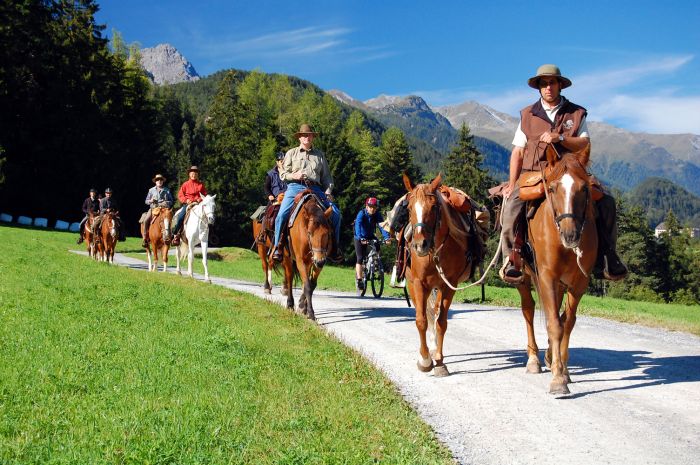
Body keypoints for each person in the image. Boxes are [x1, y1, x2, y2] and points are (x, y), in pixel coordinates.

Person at [500, 64, 627, 282]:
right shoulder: (527, 115)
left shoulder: (576, 113)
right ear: (538, 88)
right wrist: (512, 183)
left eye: (552, 82)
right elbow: (518, 152)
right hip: (535, 173)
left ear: (560, 85)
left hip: (570, 172)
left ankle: (607, 256)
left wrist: (560, 138)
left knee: (606, 202)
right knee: (512, 203)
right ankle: (512, 258)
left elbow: (584, 144)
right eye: (543, 83)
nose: (548, 87)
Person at [272, 124, 342, 262]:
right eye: (304, 135)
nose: (307, 137)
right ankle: (277, 247)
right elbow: (283, 174)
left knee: (336, 214)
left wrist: (328, 192)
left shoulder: (320, 155)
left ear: (312, 137)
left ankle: (335, 248)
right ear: (299, 137)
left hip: (315, 189)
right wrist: (294, 175)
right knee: (281, 215)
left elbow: (327, 177)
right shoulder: (291, 153)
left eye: (309, 135)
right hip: (294, 188)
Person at [354, 197, 391, 291]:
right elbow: (357, 225)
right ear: (366, 206)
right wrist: (360, 238)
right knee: (360, 258)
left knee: (377, 245)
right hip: (360, 237)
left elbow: (382, 226)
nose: (372, 209)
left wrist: (387, 238)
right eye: (370, 206)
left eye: (374, 207)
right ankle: (359, 280)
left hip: (370, 236)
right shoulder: (361, 214)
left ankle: (375, 262)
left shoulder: (377, 215)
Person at [171, 166, 207, 246]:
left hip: (198, 204)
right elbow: (180, 195)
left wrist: (199, 199)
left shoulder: (201, 185)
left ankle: (208, 234)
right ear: (189, 174)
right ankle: (176, 235)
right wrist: (186, 200)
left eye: (195, 173)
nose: (194, 174)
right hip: (188, 204)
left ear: (197, 175)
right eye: (192, 173)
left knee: (208, 215)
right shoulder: (185, 184)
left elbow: (205, 195)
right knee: (180, 217)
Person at [141, 174, 174, 247]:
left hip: (164, 209)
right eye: (157, 180)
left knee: (172, 219)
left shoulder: (167, 190)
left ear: (163, 181)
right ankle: (145, 238)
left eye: (161, 180)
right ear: (155, 182)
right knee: (146, 220)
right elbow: (146, 201)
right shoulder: (151, 190)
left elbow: (171, 201)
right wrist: (151, 200)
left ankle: (172, 237)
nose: (159, 181)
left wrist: (166, 202)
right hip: (153, 209)